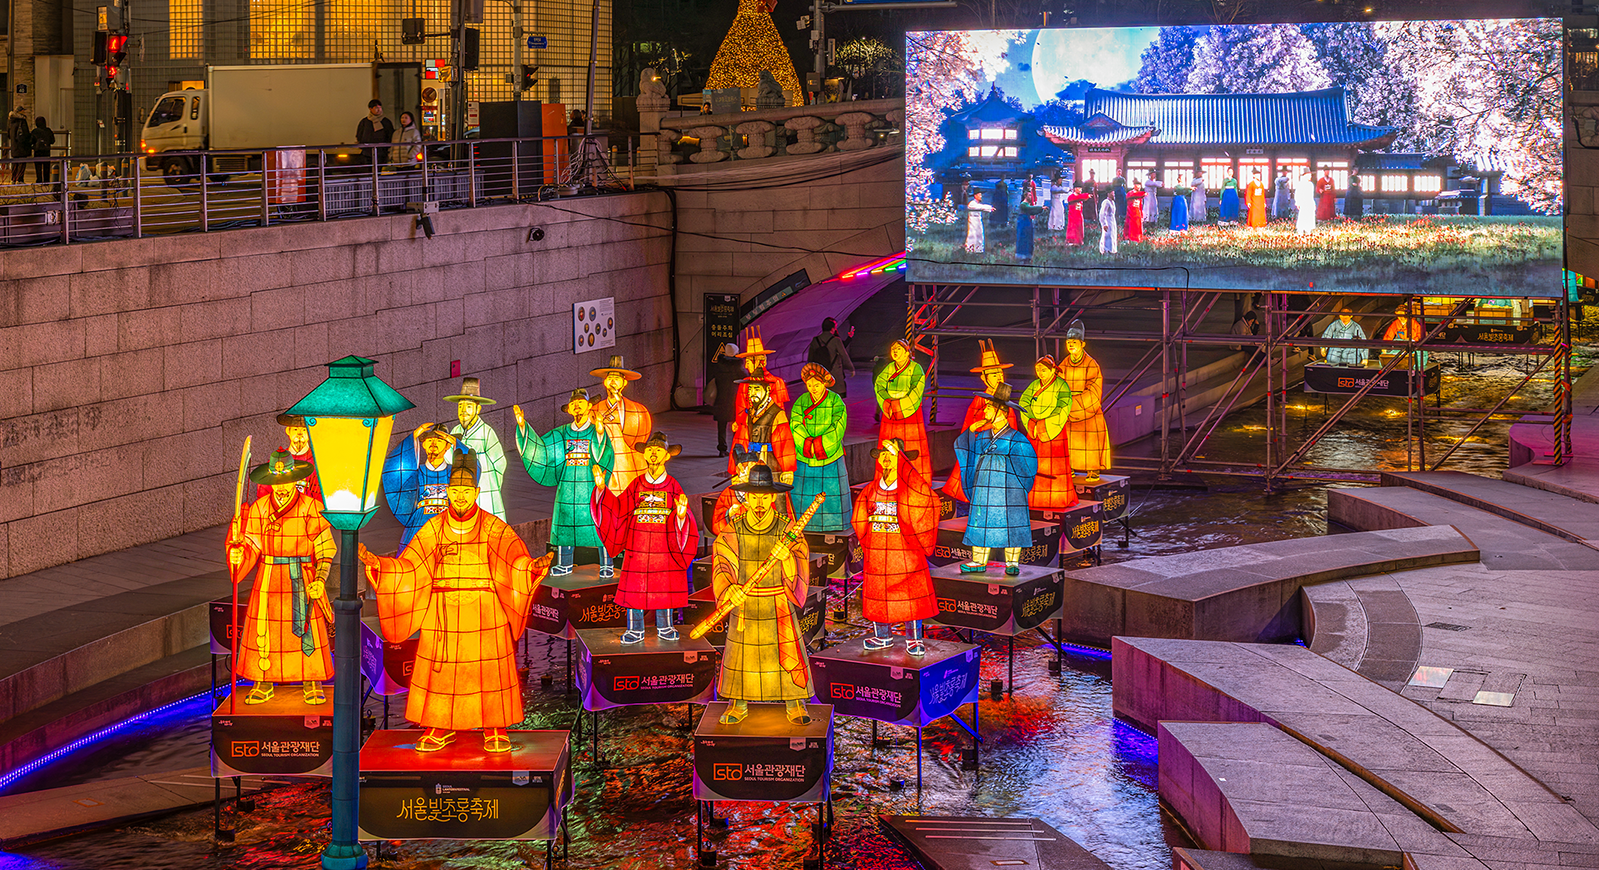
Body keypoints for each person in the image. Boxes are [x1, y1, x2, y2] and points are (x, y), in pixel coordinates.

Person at [358, 454, 552, 753]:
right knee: (442, 672)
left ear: (476, 492)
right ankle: (441, 725)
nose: (460, 497)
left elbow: (515, 562)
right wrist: (381, 565)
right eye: (455, 491)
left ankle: (495, 726)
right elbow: (410, 566)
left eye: (466, 491)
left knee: (489, 671)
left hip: (485, 611)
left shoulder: (494, 528)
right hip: (442, 610)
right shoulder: (433, 528)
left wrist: (531, 567)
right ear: (448, 491)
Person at [226, 449, 336, 706]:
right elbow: (251, 545)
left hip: (302, 576)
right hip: (269, 577)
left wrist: (320, 578)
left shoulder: (312, 508)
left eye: (287, 481)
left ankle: (311, 681)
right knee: (265, 630)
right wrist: (237, 554)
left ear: (296, 480)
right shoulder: (259, 509)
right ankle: (263, 681)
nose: (282, 488)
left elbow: (325, 548)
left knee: (307, 631)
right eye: (277, 482)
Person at [708, 463, 813, 725]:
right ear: (746, 497)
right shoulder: (734, 528)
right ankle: (738, 703)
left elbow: (801, 554)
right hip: (745, 602)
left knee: (785, 652)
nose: (759, 503)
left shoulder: (787, 528)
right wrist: (730, 587)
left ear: (773, 497)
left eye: (764, 497)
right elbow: (722, 559)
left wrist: (788, 557)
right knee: (742, 656)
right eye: (754, 496)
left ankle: (794, 702)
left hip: (777, 602)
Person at [591, 431, 697, 644]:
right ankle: (635, 629)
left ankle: (665, 626)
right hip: (637, 547)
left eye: (658, 450)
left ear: (667, 455)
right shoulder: (636, 484)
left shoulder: (673, 485)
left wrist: (681, 516)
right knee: (635, 589)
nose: (653, 454)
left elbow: (685, 517)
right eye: (650, 450)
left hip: (664, 547)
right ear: (644, 454)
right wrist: (602, 490)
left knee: (664, 587)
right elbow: (619, 509)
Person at [513, 389, 616, 576]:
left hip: (590, 485)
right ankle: (565, 563)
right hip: (567, 486)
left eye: (581, 402)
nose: (577, 406)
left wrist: (600, 434)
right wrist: (523, 428)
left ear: (589, 406)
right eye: (573, 403)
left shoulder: (597, 430)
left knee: (598, 524)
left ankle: (607, 565)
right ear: (568, 409)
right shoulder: (561, 433)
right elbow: (542, 450)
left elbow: (605, 454)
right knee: (564, 524)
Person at [853, 438, 938, 655]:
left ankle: (914, 639)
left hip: (905, 549)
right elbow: (860, 518)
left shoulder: (912, 488)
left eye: (892, 454)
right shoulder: (871, 488)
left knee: (911, 596)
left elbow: (927, 501)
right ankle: (883, 636)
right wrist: (869, 542)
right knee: (878, 594)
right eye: (883, 453)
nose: (886, 458)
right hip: (878, 549)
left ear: (902, 460)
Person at [953, 383, 1037, 577]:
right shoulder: (982, 436)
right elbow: (965, 449)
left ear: (1001, 411)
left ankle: (1012, 562)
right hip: (984, 488)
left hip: (1010, 489)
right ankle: (978, 561)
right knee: (981, 521)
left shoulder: (1016, 438)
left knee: (1012, 522)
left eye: (989, 407)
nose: (985, 411)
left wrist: (1019, 485)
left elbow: (1028, 464)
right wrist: (970, 431)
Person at [943, 340, 1018, 505]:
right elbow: (971, 427)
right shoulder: (980, 400)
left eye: (1000, 373)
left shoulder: (1005, 399)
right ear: (984, 378)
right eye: (993, 374)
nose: (999, 377)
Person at [381, 423, 473, 551]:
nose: (433, 444)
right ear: (423, 444)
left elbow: (472, 469)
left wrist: (455, 442)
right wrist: (413, 436)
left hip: (449, 523)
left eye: (439, 440)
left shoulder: (454, 473)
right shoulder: (415, 473)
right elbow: (394, 471)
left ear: (448, 446)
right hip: (419, 525)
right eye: (429, 440)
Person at [790, 363, 850, 533]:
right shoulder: (801, 401)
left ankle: (835, 523)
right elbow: (795, 423)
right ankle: (804, 524)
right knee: (804, 493)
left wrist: (820, 444)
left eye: (816, 384)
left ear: (824, 383)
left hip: (830, 454)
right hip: (805, 455)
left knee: (832, 493)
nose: (813, 388)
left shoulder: (835, 401)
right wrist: (807, 443)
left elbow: (838, 425)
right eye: (809, 385)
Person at [1021, 355, 1078, 511]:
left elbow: (1063, 406)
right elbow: (1024, 402)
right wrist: (1031, 420)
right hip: (1034, 429)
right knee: (1032, 464)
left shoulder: (1062, 386)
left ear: (1053, 370)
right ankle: (1033, 498)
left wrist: (1045, 424)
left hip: (1053, 430)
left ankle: (1057, 498)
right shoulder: (1034, 385)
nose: (1040, 373)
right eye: (1038, 369)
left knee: (1055, 468)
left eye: (1044, 370)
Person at [590, 354, 652, 497]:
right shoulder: (595, 409)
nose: (613, 382)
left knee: (629, 493)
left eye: (617, 379)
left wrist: (620, 404)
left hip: (627, 457)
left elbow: (639, 432)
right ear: (605, 382)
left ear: (624, 383)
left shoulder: (636, 409)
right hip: (604, 454)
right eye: (610, 378)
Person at [446, 378, 507, 519]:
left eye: (468, 406)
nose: (463, 411)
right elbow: (449, 460)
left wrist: (492, 486)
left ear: (478, 409)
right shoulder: (455, 430)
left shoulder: (486, 432)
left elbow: (500, 463)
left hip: (484, 489)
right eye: (460, 406)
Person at [1059, 320, 1111, 481]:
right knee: (1069, 442)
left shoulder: (1091, 364)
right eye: (1068, 342)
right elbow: (1058, 385)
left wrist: (1074, 404)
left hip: (1087, 411)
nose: (1071, 345)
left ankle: (1093, 470)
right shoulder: (1064, 364)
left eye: (1074, 342)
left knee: (1090, 442)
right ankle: (1070, 468)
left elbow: (1094, 391)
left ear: (1082, 344)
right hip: (1069, 410)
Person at [874, 339, 932, 483]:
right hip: (890, 410)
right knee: (887, 443)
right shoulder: (889, 368)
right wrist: (887, 401)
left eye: (898, 349)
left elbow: (917, 389)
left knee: (911, 445)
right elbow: (879, 385)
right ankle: (887, 478)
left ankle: (915, 478)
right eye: (893, 348)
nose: (895, 351)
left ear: (907, 353)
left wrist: (901, 404)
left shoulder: (915, 368)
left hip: (909, 410)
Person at [713, 446, 793, 534]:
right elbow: (717, 526)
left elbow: (787, 523)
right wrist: (730, 513)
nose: (746, 474)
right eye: (744, 469)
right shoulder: (728, 493)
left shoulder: (772, 492)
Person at [731, 371, 796, 479]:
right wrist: (740, 463)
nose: (752, 393)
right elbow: (742, 440)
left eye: (757, 389)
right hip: (751, 463)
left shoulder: (777, 414)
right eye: (750, 389)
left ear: (767, 390)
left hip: (771, 466)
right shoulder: (750, 413)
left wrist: (788, 469)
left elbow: (785, 443)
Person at [256, 412, 322, 504]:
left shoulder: (318, 462)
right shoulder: (277, 460)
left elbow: (320, 497)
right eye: (295, 429)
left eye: (304, 430)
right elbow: (264, 493)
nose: (299, 434)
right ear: (288, 431)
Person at [805, 317, 855, 398]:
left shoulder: (815, 340)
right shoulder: (836, 340)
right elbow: (844, 355)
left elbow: (810, 358)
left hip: (820, 374)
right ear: (832, 329)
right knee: (836, 396)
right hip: (834, 373)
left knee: (822, 396)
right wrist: (851, 368)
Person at [711, 342, 742, 457]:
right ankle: (736, 448)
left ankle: (722, 449)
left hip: (721, 398)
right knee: (736, 424)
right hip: (734, 398)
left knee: (721, 425)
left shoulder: (718, 364)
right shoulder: (737, 365)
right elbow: (745, 377)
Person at [1381, 302, 1429, 368]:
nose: (1400, 317)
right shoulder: (1395, 323)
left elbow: (1420, 335)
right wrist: (1385, 346)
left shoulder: (1414, 323)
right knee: (1387, 354)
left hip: (1414, 345)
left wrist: (1414, 340)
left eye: (1402, 315)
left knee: (1419, 356)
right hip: (1400, 345)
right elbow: (1388, 336)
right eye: (1399, 315)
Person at [356, 99, 394, 167]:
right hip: (367, 152)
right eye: (376, 108)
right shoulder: (365, 122)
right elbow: (359, 134)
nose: (378, 110)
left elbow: (390, 135)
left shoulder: (386, 121)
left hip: (381, 152)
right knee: (368, 169)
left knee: (379, 169)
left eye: (380, 107)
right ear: (370, 109)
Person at [7, 105, 29, 184]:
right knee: (22, 162)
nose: (24, 112)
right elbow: (26, 133)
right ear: (20, 111)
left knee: (15, 162)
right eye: (23, 110)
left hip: (14, 144)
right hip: (22, 144)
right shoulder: (22, 120)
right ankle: (20, 179)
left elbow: (8, 134)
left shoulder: (10, 121)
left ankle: (13, 179)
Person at [30, 117, 54, 185]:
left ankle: (39, 180)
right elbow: (52, 141)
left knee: (38, 167)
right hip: (46, 151)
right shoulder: (48, 131)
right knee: (46, 167)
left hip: (38, 151)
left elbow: (31, 141)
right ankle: (46, 181)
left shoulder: (35, 131)